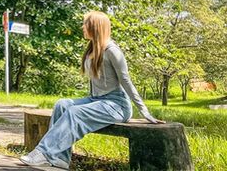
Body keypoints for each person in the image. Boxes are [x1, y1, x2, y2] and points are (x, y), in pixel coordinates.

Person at [19, 11, 164, 170]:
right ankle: (60, 158)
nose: (82, 27)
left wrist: (144, 111)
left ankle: (43, 152)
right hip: (98, 100)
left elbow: (126, 81)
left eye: (85, 24)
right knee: (62, 104)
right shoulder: (92, 49)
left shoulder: (112, 51)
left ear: (96, 27)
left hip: (117, 105)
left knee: (75, 113)